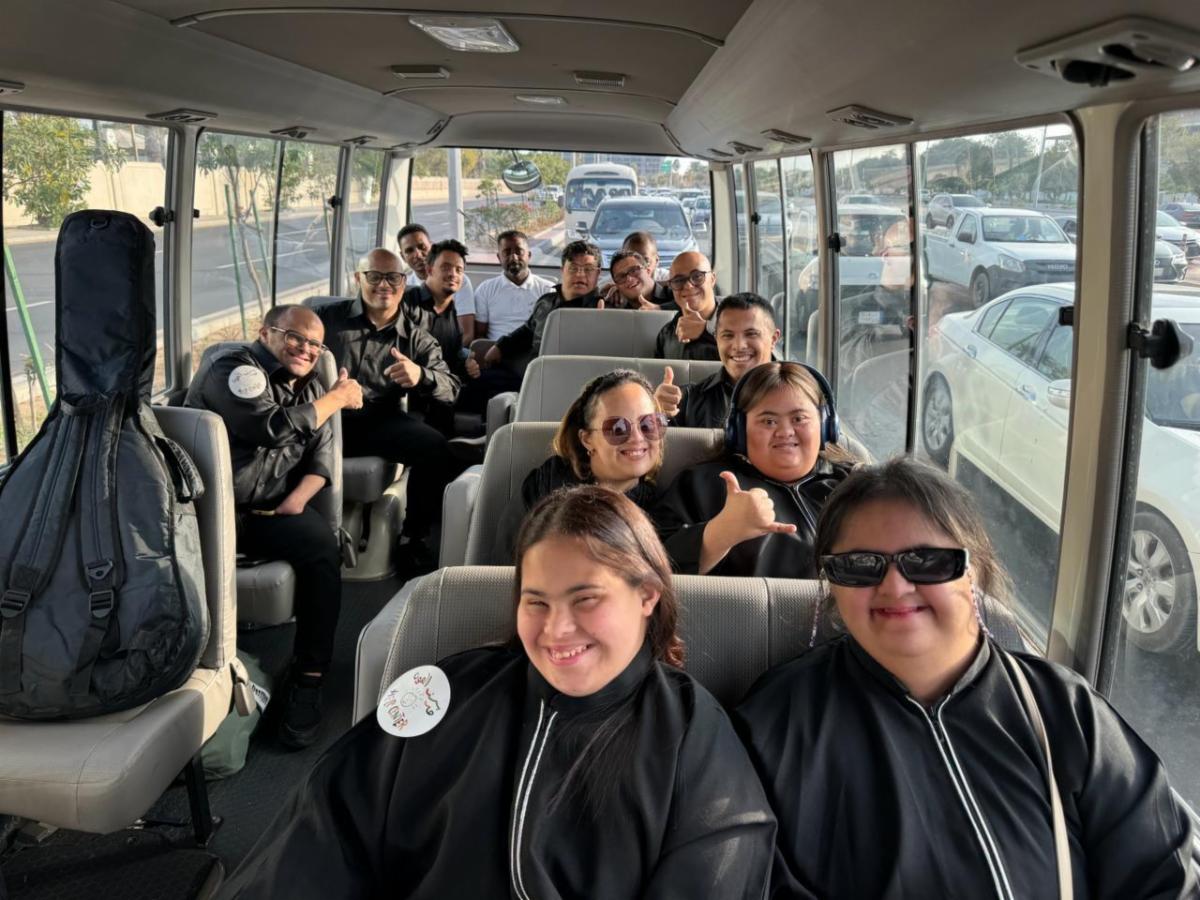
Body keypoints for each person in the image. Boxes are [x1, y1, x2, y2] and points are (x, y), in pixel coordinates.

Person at [219, 486, 776, 899]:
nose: (556, 630)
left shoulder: (691, 734)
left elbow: (720, 866)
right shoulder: (445, 693)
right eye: (537, 602)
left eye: (586, 599)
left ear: (648, 596)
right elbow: (324, 828)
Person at [734, 458, 1197, 899]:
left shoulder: (1063, 709)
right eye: (859, 566)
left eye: (928, 561)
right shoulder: (775, 723)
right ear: (832, 583)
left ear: (974, 571)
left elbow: (1163, 875)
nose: (895, 587)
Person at [186, 304, 363, 748]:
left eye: (315, 344)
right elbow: (269, 427)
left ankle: (309, 676)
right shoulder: (232, 368)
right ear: (266, 333)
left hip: (272, 510)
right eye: (295, 337)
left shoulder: (314, 387)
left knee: (322, 549)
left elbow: (323, 454)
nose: (305, 349)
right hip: (209, 512)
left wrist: (299, 499)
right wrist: (338, 398)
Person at [315, 247, 462, 573]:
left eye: (393, 278)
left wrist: (420, 375)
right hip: (322, 416)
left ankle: (413, 537)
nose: (384, 285)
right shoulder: (325, 319)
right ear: (359, 279)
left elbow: (451, 387)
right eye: (375, 276)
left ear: (403, 282)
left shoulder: (416, 339)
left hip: (377, 421)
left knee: (435, 447)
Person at [654, 361, 855, 577]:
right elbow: (650, 568)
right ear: (739, 431)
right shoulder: (701, 485)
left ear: (825, 426)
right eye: (768, 421)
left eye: (799, 419)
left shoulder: (854, 487)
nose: (785, 432)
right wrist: (721, 532)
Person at [491, 370, 667, 564]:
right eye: (617, 428)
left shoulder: (665, 508)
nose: (637, 438)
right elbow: (508, 563)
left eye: (648, 424)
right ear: (587, 439)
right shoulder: (547, 484)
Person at [478, 240, 603, 383]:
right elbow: (528, 329)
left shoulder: (601, 309)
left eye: (588, 269)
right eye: (573, 268)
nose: (580, 275)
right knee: (476, 379)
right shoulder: (545, 301)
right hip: (528, 372)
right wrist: (501, 346)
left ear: (598, 274)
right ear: (563, 270)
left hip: (564, 379)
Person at [654, 292, 781, 428]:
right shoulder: (687, 401)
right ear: (717, 339)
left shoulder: (795, 397)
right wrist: (658, 415)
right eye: (728, 335)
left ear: (774, 339)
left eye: (751, 334)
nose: (739, 346)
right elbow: (658, 437)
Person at [399, 223, 477, 345]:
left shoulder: (457, 283)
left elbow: (466, 335)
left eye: (422, 247)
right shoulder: (403, 290)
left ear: (431, 246)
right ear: (402, 256)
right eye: (409, 250)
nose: (417, 255)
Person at [472, 230, 554, 341]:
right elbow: (480, 335)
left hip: (535, 350)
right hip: (494, 349)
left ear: (529, 255)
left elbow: (552, 333)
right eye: (507, 252)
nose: (514, 257)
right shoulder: (485, 290)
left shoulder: (548, 290)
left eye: (519, 251)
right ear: (499, 257)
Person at [656, 250, 720, 361]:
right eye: (678, 280)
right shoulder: (666, 334)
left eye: (697, 276)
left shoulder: (739, 324)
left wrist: (706, 331)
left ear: (712, 279)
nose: (688, 286)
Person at [600, 232, 674, 307]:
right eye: (622, 276)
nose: (629, 279)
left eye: (634, 270)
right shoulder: (615, 286)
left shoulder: (673, 290)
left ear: (647, 269)